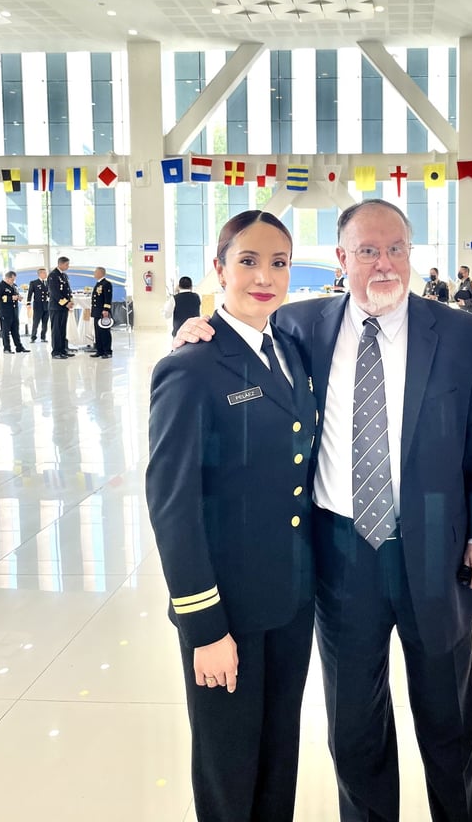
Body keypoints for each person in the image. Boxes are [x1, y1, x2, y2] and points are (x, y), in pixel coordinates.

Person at [176, 198, 472, 822]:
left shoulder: (463, 336)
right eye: (367, 251)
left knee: (449, 725)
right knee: (355, 732)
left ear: (411, 255)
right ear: (340, 260)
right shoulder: (301, 326)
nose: (382, 264)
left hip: (436, 558)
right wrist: (195, 329)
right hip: (339, 558)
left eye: (395, 250)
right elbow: (236, 336)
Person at [146, 211, 316, 822]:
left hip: (291, 602)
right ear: (219, 270)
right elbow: (172, 506)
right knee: (228, 767)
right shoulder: (190, 368)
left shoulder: (289, 350)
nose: (264, 276)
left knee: (278, 759)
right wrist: (204, 627)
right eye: (248, 261)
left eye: (279, 263)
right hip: (228, 613)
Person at [48, 256, 75, 359]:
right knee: (56, 330)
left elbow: (67, 290)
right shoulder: (53, 275)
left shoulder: (63, 275)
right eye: (66, 264)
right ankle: (56, 352)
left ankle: (63, 350)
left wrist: (70, 301)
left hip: (64, 307)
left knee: (62, 329)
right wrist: (65, 303)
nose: (68, 266)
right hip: (56, 307)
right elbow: (54, 292)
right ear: (60, 264)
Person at [0, 271, 29, 354]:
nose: (13, 281)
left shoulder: (14, 286)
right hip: (5, 312)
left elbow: (16, 295)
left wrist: (18, 297)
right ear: (7, 278)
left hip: (14, 311)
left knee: (15, 330)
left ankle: (19, 347)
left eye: (14, 279)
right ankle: (7, 348)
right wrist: (11, 298)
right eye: (12, 279)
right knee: (5, 331)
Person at [90, 267, 113, 359]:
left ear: (100, 273)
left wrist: (106, 310)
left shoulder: (106, 284)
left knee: (104, 332)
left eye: (95, 272)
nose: (94, 274)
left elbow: (108, 298)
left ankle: (107, 351)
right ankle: (100, 350)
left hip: (103, 312)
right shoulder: (98, 283)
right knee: (98, 332)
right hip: (97, 312)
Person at [26, 268, 49, 342]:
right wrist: (28, 303)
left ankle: (43, 337)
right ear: (40, 274)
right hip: (38, 305)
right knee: (36, 322)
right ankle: (33, 337)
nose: (46, 274)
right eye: (44, 273)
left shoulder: (48, 283)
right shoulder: (34, 282)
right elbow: (30, 293)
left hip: (46, 305)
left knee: (45, 322)